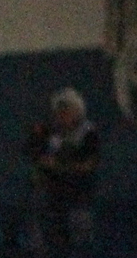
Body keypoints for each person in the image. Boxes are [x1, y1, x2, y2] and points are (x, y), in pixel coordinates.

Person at [26, 88, 100, 248]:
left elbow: (89, 165)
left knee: (81, 239)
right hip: (53, 197)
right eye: (59, 112)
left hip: (79, 196)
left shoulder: (88, 132)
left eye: (67, 111)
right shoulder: (52, 134)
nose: (62, 116)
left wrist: (62, 165)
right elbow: (38, 157)